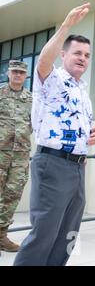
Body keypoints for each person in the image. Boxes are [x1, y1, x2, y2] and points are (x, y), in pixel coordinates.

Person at [14, 3, 95, 266]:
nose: (82, 58)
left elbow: (72, 125)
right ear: (63, 55)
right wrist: (66, 26)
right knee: (45, 232)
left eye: (86, 54)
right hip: (52, 164)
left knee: (67, 235)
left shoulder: (82, 91)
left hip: (77, 167)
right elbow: (43, 60)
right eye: (77, 53)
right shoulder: (51, 79)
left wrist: (88, 136)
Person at [0, 61, 32, 254]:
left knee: (12, 195)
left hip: (20, 154)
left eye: (21, 72)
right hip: (0, 152)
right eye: (15, 72)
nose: (18, 75)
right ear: (8, 73)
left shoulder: (31, 99)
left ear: (26, 76)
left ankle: (1, 235)